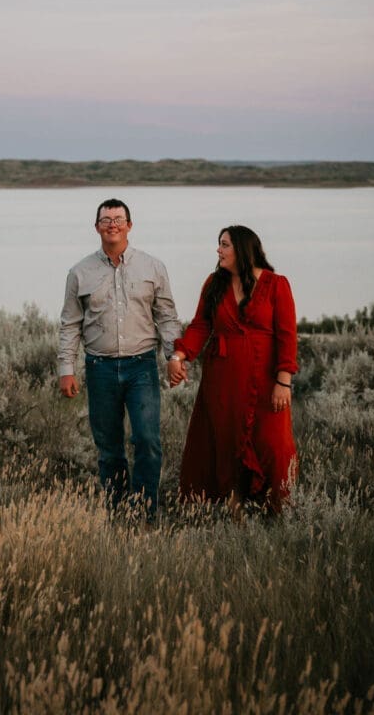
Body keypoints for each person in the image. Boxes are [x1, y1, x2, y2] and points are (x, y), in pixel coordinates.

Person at [58, 198, 182, 516]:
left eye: (118, 219)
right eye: (106, 220)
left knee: (147, 441)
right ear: (96, 227)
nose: (112, 225)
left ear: (129, 225)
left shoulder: (153, 267)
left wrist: (174, 357)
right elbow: (70, 324)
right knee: (109, 449)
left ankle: (144, 513)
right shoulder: (79, 272)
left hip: (142, 367)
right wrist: (66, 368)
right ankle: (117, 514)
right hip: (99, 368)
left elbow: (167, 317)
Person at [168, 224, 298, 513]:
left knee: (273, 444)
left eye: (224, 244)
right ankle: (233, 509)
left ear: (242, 249)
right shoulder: (214, 283)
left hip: (266, 379)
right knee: (225, 443)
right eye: (219, 244)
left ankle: (277, 511)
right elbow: (200, 326)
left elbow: (287, 335)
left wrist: (284, 381)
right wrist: (179, 355)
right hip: (222, 378)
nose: (218, 250)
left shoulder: (276, 284)